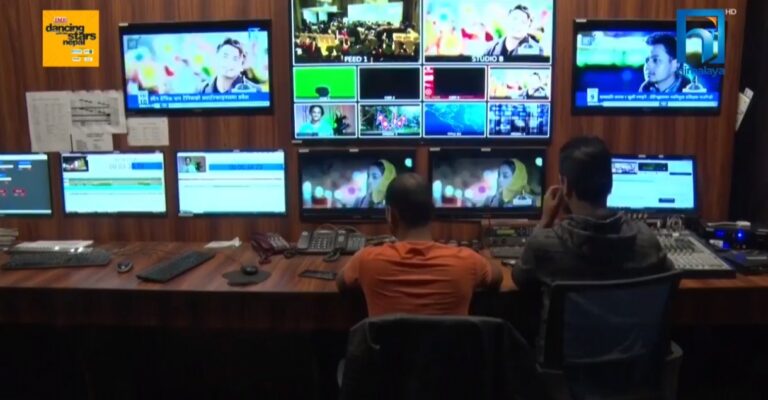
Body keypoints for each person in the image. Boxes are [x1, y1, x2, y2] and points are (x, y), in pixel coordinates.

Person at [511, 136, 673, 342]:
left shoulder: (544, 245)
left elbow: (520, 278)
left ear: (565, 185)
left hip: (567, 361)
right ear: (611, 185)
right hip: (633, 360)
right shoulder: (647, 241)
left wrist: (545, 221)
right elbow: (669, 279)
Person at [337, 173, 503, 317]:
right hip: (447, 346)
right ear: (432, 212)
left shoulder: (366, 260)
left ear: (391, 215)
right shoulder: (467, 260)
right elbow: (497, 278)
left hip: (389, 346)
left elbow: (341, 283)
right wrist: (481, 256)